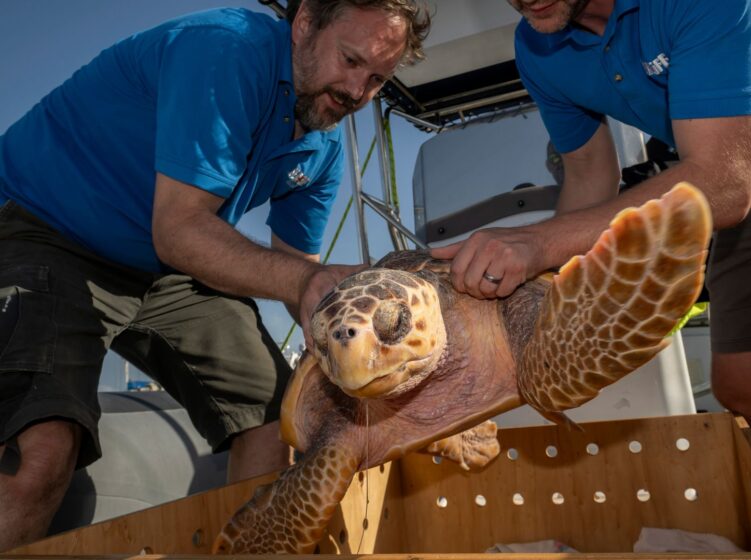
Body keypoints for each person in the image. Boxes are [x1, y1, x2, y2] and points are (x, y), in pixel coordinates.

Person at [0, 0, 429, 551]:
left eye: (376, 79)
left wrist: (365, 379)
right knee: (39, 447)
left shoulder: (322, 149)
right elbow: (180, 230)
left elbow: (303, 281)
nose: (356, 92)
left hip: (164, 263)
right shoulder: (226, 50)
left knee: (280, 417)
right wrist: (304, 283)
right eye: (349, 60)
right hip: (47, 227)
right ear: (303, 25)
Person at [431, 0, 751, 549]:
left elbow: (724, 180)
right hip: (746, 172)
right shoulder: (537, 47)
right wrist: (526, 311)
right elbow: (588, 174)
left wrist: (535, 243)